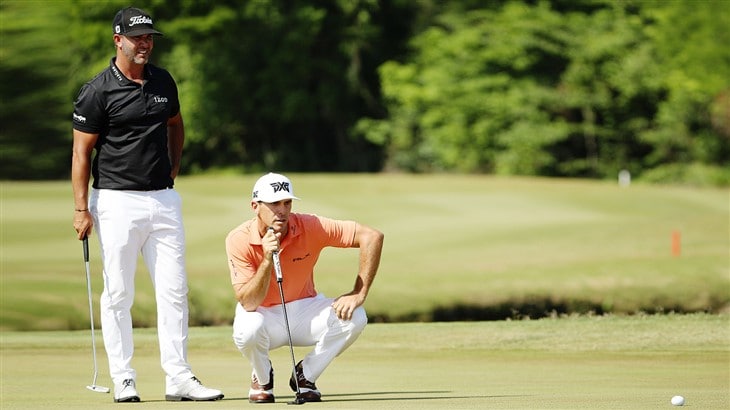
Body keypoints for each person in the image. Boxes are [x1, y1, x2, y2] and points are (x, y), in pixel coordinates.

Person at [71, 6, 223, 403]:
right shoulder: (97, 91)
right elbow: (81, 154)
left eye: (150, 37)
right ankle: (123, 378)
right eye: (138, 37)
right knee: (119, 293)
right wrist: (80, 208)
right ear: (118, 39)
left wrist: (173, 168)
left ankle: (179, 378)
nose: (145, 44)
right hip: (117, 202)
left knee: (175, 292)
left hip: (164, 200)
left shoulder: (163, 80)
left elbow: (175, 124)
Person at [225, 173, 384, 403]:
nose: (282, 210)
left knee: (355, 316)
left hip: (304, 310)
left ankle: (305, 376)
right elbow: (249, 302)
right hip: (262, 314)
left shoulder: (310, 225)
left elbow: (372, 236)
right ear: (255, 206)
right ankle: (262, 378)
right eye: (274, 204)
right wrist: (267, 259)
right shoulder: (237, 239)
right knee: (248, 330)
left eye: (287, 202)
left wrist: (359, 291)